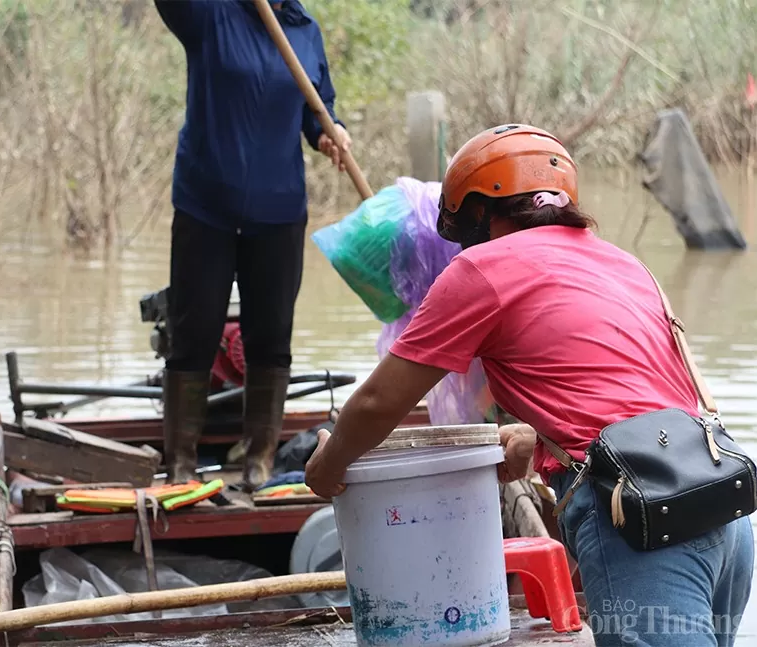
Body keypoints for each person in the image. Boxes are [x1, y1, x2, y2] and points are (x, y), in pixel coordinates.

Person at [304, 124, 754, 646]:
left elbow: (381, 400)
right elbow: (629, 397)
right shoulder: (625, 265)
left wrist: (330, 464)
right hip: (724, 508)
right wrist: (538, 440)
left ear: (476, 212)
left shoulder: (481, 267)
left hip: (640, 519)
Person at [154, 0, 351, 491]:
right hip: (206, 205)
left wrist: (331, 134)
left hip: (279, 210)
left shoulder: (304, 30)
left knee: (271, 336)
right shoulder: (210, 14)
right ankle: (180, 464)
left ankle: (258, 462)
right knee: (193, 332)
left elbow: (315, 112)